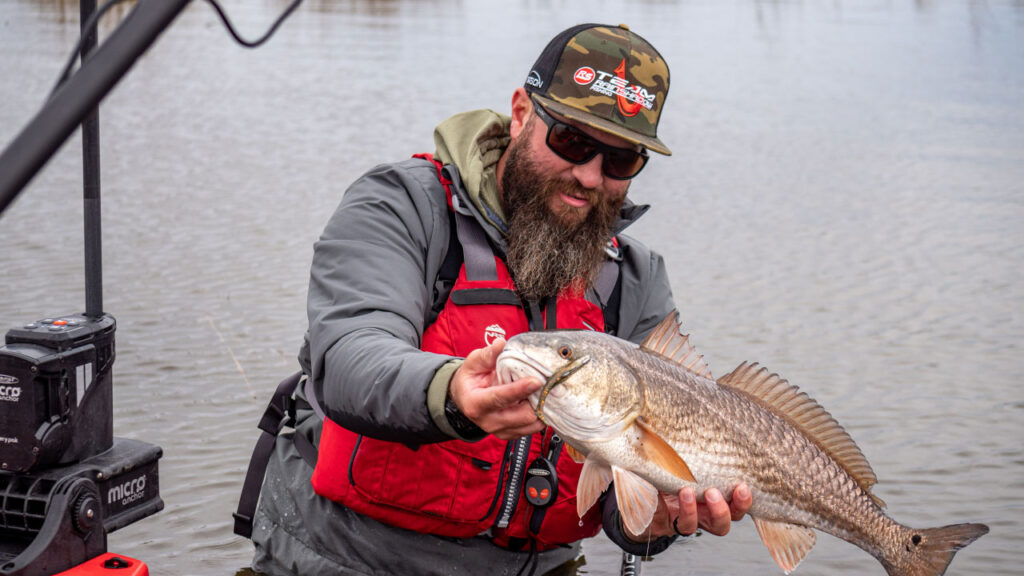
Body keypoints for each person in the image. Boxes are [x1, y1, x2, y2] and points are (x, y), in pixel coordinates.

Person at [247, 23, 752, 576]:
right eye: (572, 140)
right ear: (520, 113)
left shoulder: (635, 277)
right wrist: (451, 393)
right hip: (350, 558)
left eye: (620, 161)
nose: (588, 176)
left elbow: (622, 495)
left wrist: (653, 523)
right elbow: (347, 357)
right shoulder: (400, 206)